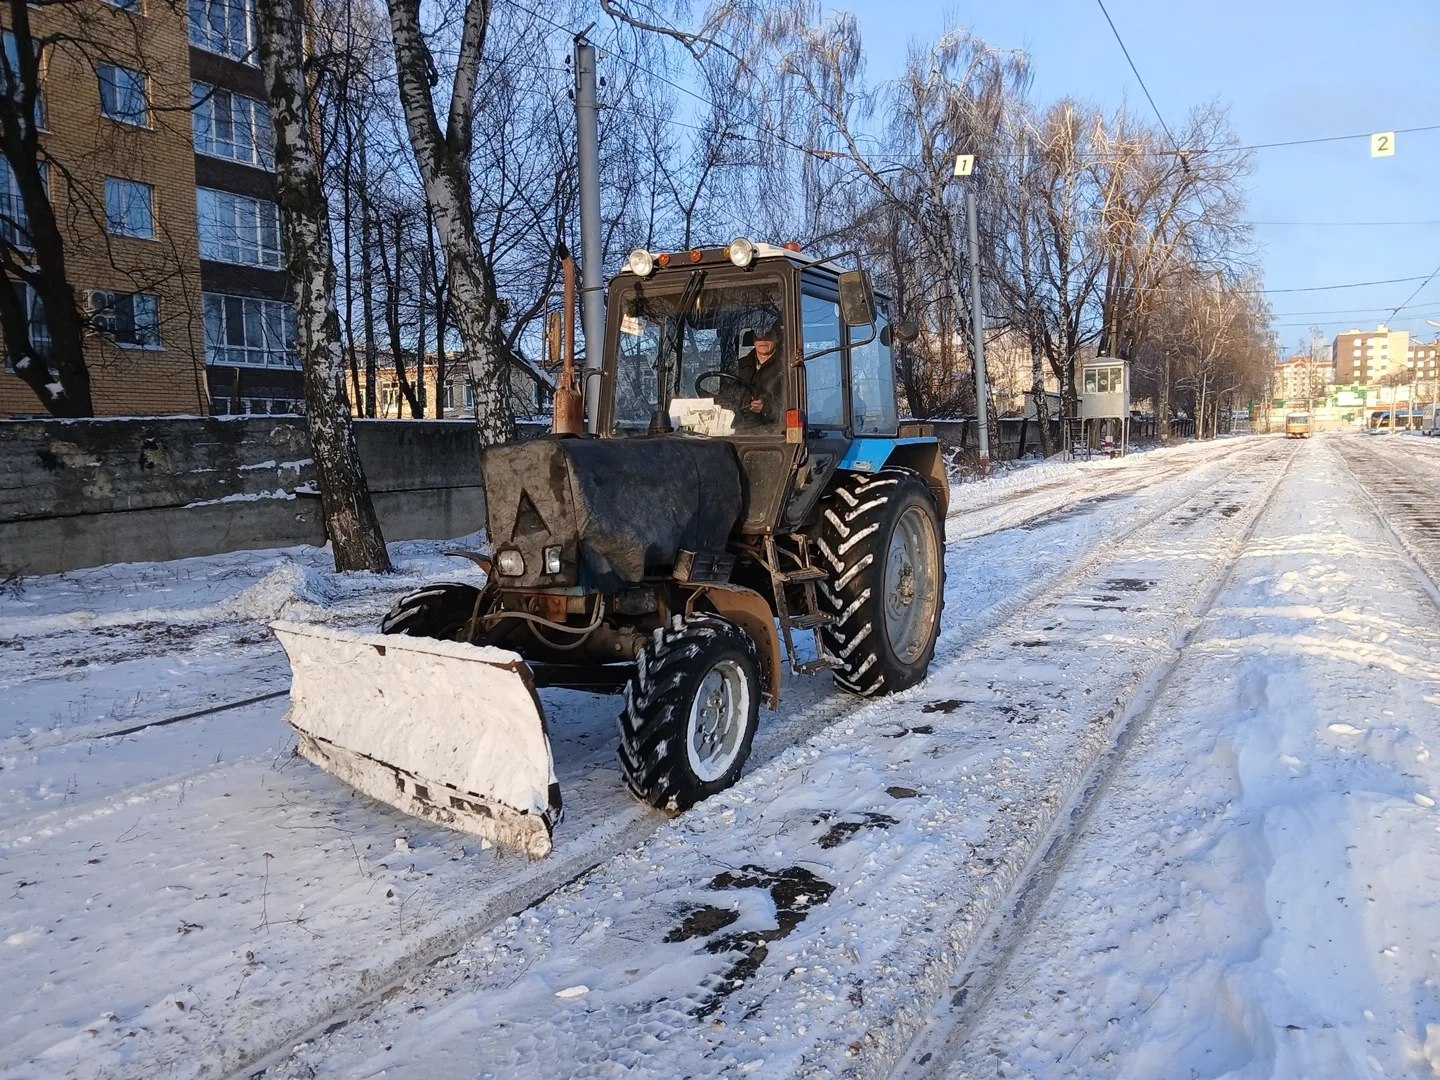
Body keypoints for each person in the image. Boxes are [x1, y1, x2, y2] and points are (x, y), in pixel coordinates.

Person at [724, 321, 786, 428]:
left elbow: (789, 402)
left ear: (776, 338)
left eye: (768, 335)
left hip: (772, 430)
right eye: (758, 335)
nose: (762, 340)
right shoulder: (740, 365)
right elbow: (729, 394)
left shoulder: (785, 367)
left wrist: (766, 407)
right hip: (739, 427)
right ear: (753, 340)